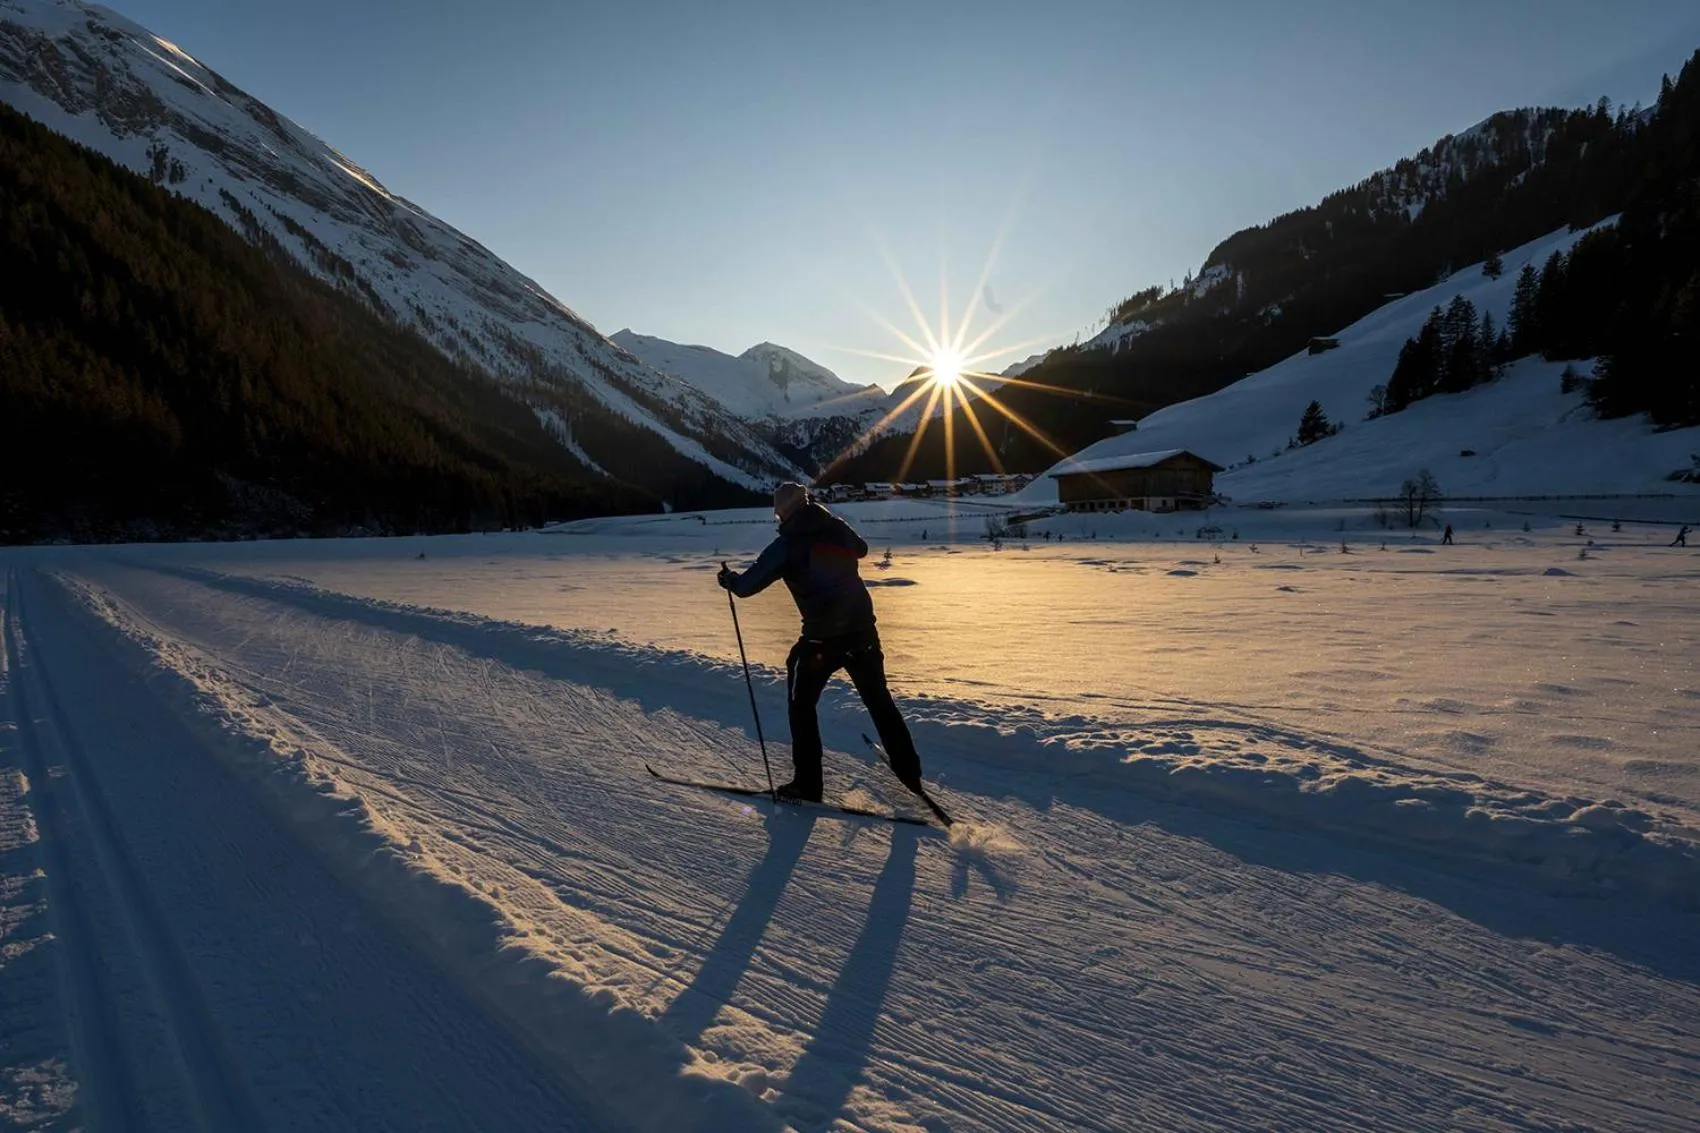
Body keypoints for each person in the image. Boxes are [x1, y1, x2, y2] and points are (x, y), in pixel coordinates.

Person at [718, 482, 923, 803]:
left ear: (782, 512)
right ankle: (909, 772)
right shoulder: (835, 526)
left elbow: (746, 586)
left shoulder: (785, 546)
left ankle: (808, 785)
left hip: (821, 640)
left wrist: (728, 579)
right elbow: (862, 548)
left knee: (802, 707)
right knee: (879, 701)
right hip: (862, 632)